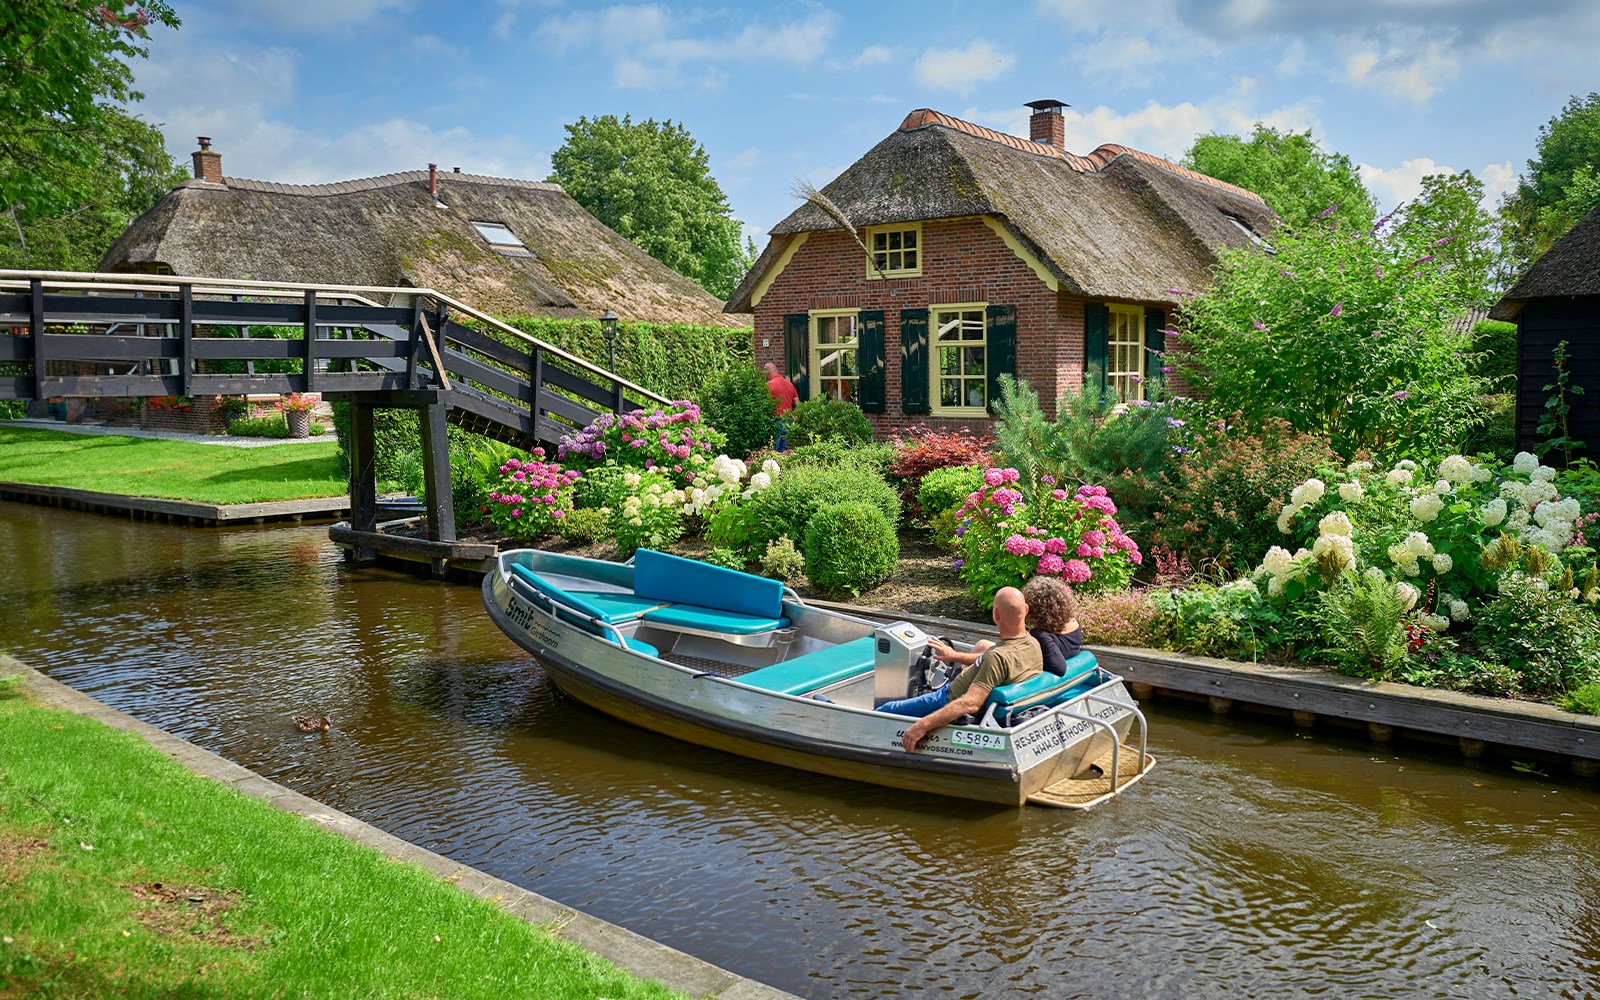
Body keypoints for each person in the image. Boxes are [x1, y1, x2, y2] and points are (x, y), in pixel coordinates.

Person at [877, 586, 1043, 752]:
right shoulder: (1032, 644)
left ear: (996, 614)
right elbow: (987, 663)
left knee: (886, 710)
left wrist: (921, 726)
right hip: (971, 686)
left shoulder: (997, 657)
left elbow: (970, 704)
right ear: (1026, 610)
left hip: (946, 699)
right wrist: (954, 656)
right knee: (982, 646)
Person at [927, 576, 1083, 677]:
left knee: (976, 664)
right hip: (1031, 667)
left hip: (1025, 677)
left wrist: (953, 655)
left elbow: (1059, 668)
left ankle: (952, 686)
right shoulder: (1073, 624)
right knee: (982, 645)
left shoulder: (1041, 636)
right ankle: (956, 677)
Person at [763, 361, 798, 450]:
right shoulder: (789, 384)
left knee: (774, 448)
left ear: (767, 372)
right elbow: (797, 403)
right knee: (783, 449)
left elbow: (764, 405)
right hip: (788, 420)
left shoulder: (769, 385)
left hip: (776, 420)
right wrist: (796, 416)